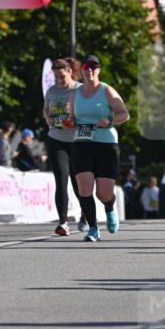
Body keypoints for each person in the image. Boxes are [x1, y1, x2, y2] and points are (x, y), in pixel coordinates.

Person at [70, 54, 129, 242]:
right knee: (84, 189)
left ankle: (110, 207)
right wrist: (67, 122)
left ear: (99, 70)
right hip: (81, 144)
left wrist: (110, 120)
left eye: (94, 66)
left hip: (106, 145)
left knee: (103, 193)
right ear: (81, 70)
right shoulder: (75, 93)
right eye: (86, 66)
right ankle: (93, 228)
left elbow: (124, 114)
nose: (90, 70)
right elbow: (72, 117)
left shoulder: (106, 90)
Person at [43, 56, 86, 236]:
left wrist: (73, 117)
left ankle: (85, 213)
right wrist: (48, 118)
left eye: (62, 76)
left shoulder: (81, 90)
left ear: (70, 72)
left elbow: (88, 115)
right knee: (61, 180)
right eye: (56, 77)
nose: (59, 81)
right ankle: (63, 222)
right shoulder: (52, 91)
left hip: (77, 141)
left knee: (78, 183)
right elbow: (46, 110)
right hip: (56, 139)